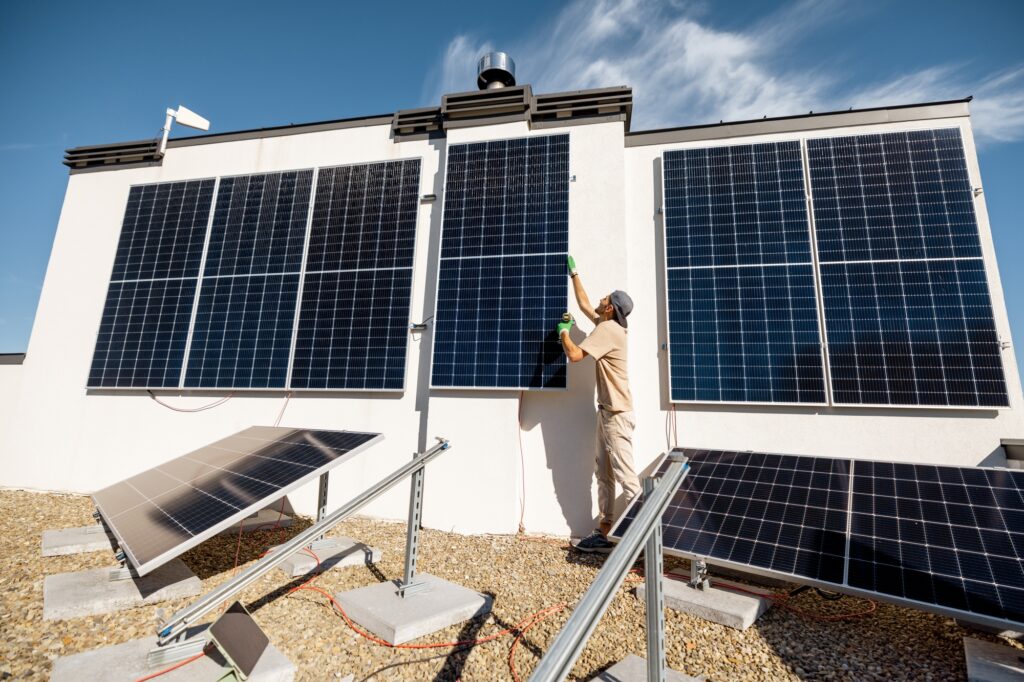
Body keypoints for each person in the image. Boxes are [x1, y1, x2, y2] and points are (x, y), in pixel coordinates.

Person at [556, 255, 640, 553]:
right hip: (607, 413)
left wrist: (564, 333)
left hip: (617, 416)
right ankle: (604, 534)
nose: (601, 297)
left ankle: (641, 543)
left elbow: (576, 356)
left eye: (606, 297)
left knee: (628, 480)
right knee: (603, 475)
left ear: (610, 308)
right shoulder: (607, 324)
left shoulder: (608, 330)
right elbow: (583, 304)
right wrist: (574, 272)